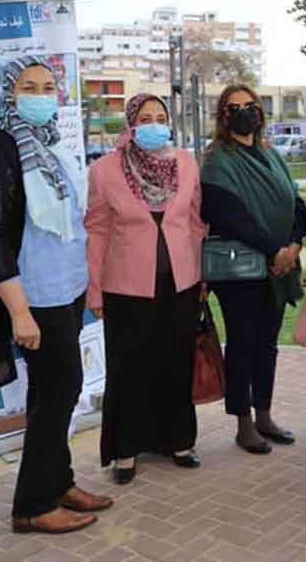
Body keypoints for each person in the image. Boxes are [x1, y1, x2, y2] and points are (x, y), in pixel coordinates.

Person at [0, 56, 113, 534]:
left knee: (50, 392)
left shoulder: (51, 144)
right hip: (34, 297)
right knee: (59, 392)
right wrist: (20, 312)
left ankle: (59, 481)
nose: (39, 93)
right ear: (9, 94)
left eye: (48, 86)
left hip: (65, 290)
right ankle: (32, 504)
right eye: (28, 85)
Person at [85, 93, 207, 484]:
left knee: (176, 362)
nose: (154, 124)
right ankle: (126, 449)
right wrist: (94, 290)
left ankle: (178, 441)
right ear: (131, 124)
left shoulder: (186, 164)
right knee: (129, 368)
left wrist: (201, 277)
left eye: (161, 117)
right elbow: (97, 230)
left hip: (181, 283)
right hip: (126, 287)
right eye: (145, 117)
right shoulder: (105, 170)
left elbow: (195, 222)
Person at [200, 84, 306, 454]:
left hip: (278, 270)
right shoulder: (218, 160)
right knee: (243, 346)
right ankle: (243, 422)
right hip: (242, 272)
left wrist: (293, 246)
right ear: (223, 116)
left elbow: (297, 205)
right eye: (234, 108)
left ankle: (264, 414)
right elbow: (228, 216)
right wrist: (274, 250)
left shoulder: (270, 154)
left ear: (260, 113)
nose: (244, 112)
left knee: (267, 345)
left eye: (250, 106)